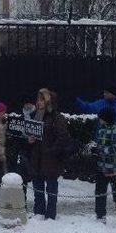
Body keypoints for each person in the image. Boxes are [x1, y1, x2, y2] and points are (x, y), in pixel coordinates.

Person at [29, 88, 70, 220]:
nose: (39, 102)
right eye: (38, 99)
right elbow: (29, 136)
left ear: (49, 102)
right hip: (37, 159)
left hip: (51, 160)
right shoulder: (35, 116)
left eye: (42, 100)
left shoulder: (57, 118)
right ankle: (39, 214)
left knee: (51, 190)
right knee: (38, 190)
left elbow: (62, 138)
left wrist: (51, 152)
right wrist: (29, 140)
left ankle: (51, 216)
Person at [74, 84, 116, 148]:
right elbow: (87, 107)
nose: (104, 94)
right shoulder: (100, 104)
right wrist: (76, 101)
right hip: (102, 141)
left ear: (114, 94)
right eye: (104, 92)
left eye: (107, 93)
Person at [94, 106, 116, 221]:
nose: (99, 120)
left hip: (114, 168)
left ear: (107, 118)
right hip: (102, 167)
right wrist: (95, 148)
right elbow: (100, 143)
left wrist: (100, 150)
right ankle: (100, 215)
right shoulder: (102, 128)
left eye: (101, 118)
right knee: (99, 191)